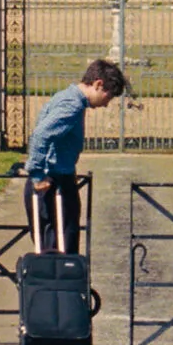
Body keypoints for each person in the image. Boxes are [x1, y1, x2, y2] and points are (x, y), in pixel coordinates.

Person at [23, 58, 126, 256]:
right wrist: (37, 174)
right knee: (59, 252)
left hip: (59, 176)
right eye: (108, 96)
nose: (106, 104)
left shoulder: (66, 97)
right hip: (53, 184)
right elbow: (41, 135)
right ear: (98, 84)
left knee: (56, 249)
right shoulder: (72, 105)